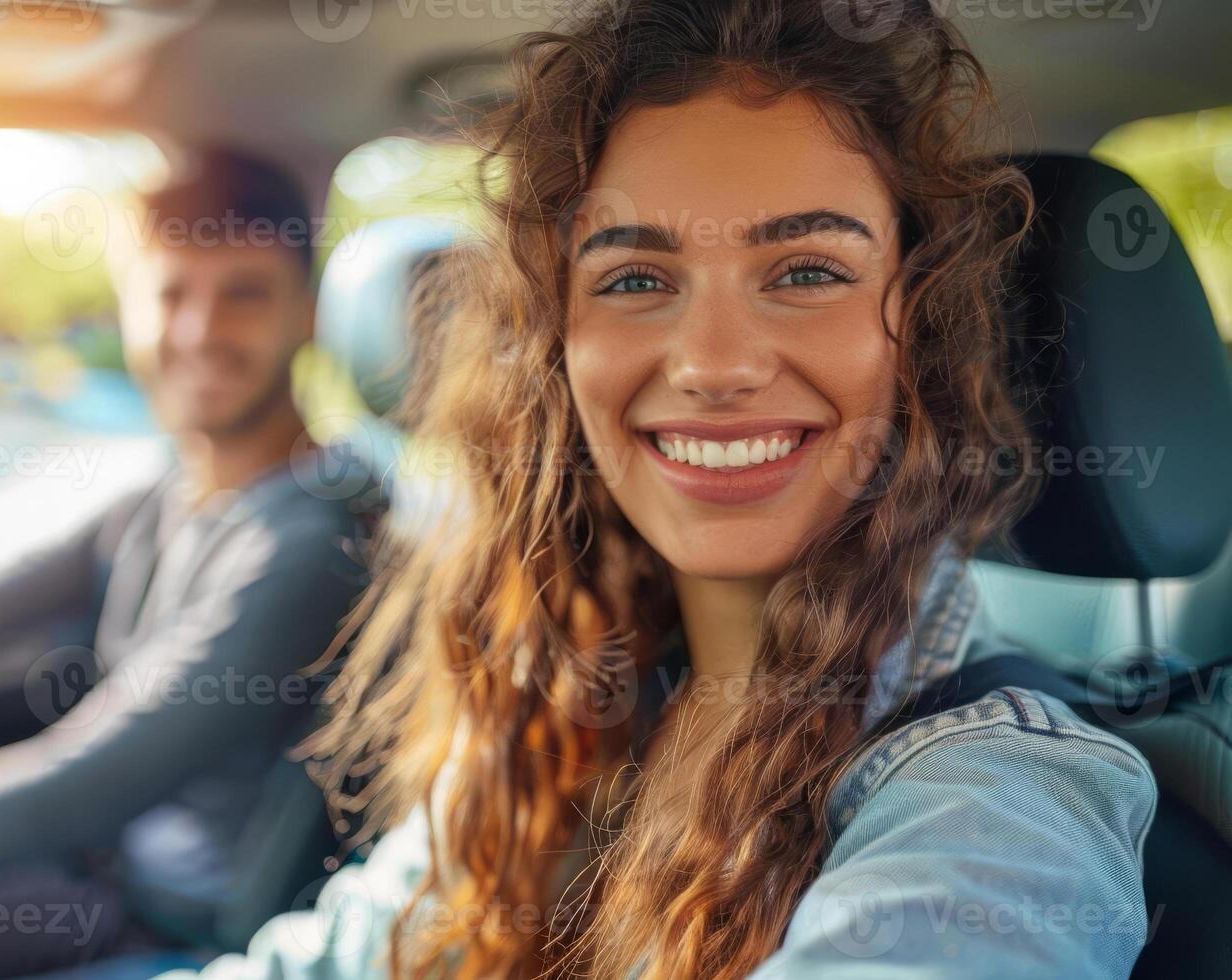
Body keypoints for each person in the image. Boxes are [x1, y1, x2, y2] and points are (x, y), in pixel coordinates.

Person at [160, 2, 1157, 978]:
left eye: (806, 269)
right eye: (635, 278)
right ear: (556, 349)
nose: (710, 363)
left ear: (919, 334)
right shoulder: (564, 709)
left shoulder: (998, 794)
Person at [0, 147, 370, 977]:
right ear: (131, 313)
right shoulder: (167, 492)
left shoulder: (313, 539)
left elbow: (89, 780)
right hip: (94, 882)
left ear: (307, 314)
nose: (200, 332)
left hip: (172, 935)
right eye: (171, 294)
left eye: (244, 295)